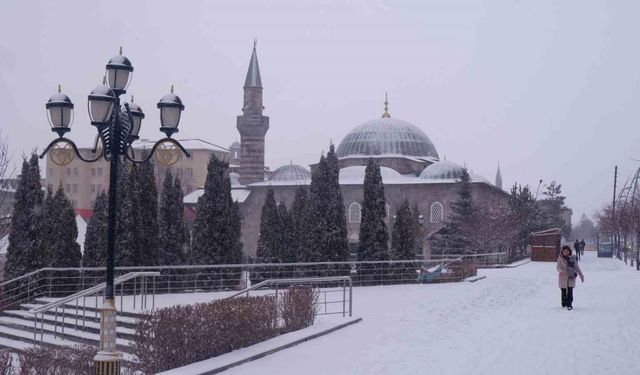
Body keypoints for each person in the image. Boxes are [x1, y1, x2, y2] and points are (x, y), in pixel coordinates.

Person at [557, 245, 584, 310]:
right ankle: (564, 303)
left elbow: (577, 267)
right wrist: (561, 271)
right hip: (563, 277)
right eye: (564, 251)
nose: (566, 253)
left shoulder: (572, 258)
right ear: (562, 252)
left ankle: (569, 304)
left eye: (567, 251)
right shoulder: (560, 258)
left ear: (569, 252)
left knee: (570, 291)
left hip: (571, 277)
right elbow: (558, 267)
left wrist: (581, 275)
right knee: (563, 291)